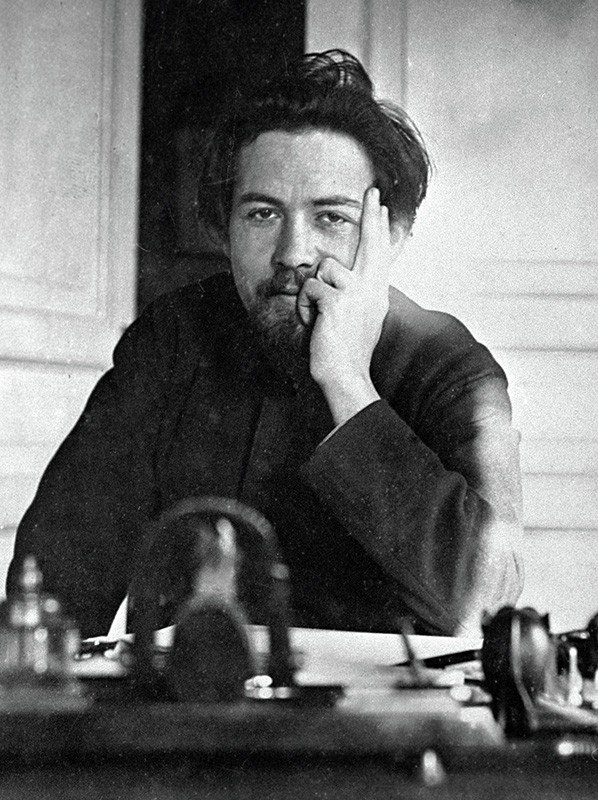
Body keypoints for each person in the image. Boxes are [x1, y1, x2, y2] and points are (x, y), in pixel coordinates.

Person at [8, 50, 524, 639]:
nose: (292, 253)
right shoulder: (173, 339)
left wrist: (349, 384)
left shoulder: (449, 364)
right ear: (224, 228)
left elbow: (483, 600)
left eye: (331, 218)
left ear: (393, 235)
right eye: (261, 214)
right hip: (196, 695)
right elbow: (58, 575)